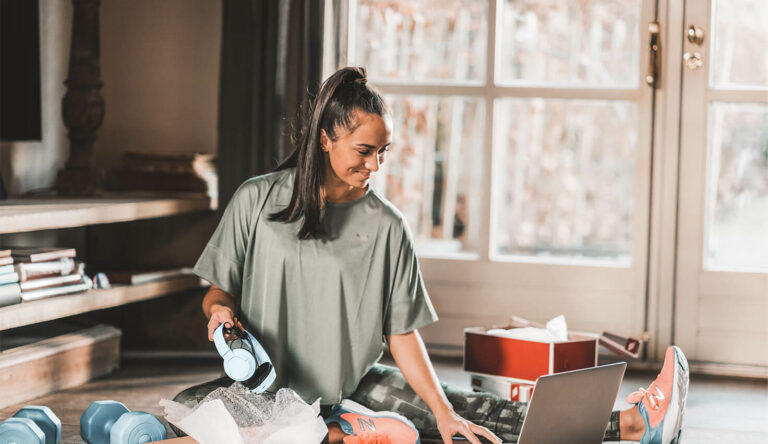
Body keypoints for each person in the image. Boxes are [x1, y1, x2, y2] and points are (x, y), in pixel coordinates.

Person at [172, 66, 689, 444]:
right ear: (327, 138)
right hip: (267, 392)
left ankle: (633, 424)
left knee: (466, 413)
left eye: (382, 153)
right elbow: (220, 290)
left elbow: (401, 334)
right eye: (363, 151)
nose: (374, 165)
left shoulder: (387, 226)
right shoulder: (256, 199)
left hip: (355, 387)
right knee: (184, 420)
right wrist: (219, 313)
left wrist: (441, 409)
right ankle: (334, 434)